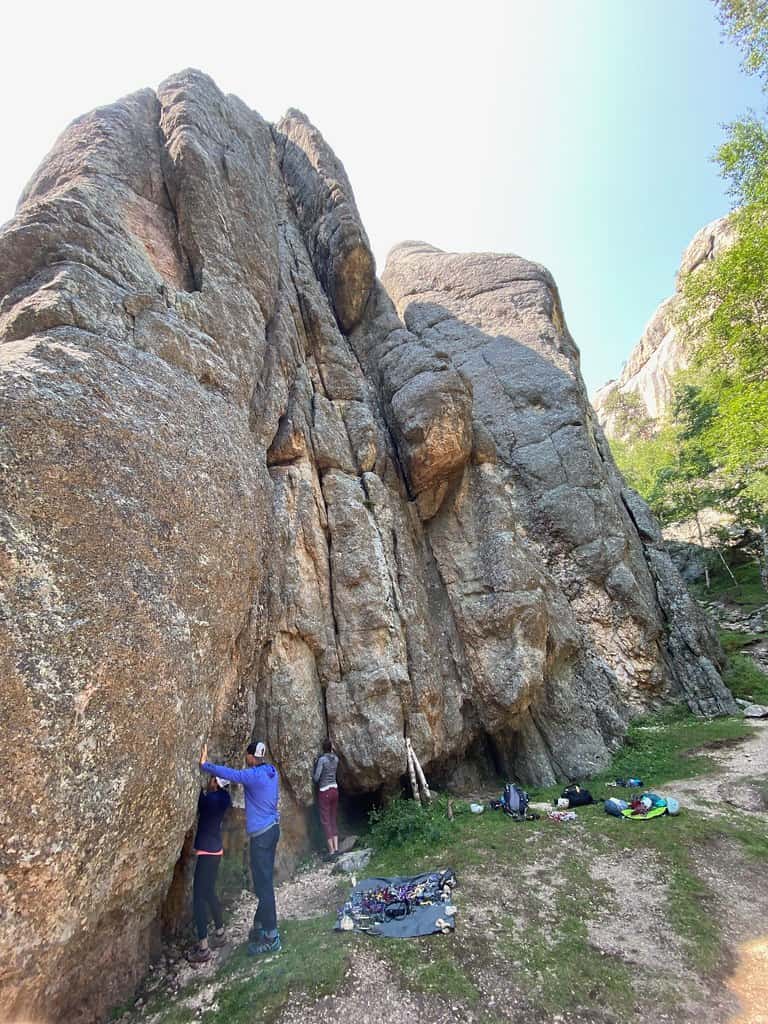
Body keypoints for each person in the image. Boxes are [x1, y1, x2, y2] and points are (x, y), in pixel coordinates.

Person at [200, 740, 281, 955]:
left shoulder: (253, 776)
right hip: (272, 830)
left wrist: (205, 765)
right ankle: (260, 925)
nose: (246, 758)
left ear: (252, 757)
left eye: (247, 755)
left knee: (263, 886)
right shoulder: (272, 772)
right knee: (265, 882)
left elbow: (233, 774)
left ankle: (272, 937)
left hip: (262, 837)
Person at [186, 775, 231, 964]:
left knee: (198, 898)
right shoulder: (224, 799)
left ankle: (203, 948)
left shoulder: (210, 800)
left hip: (206, 851)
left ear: (215, 783)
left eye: (212, 779)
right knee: (210, 891)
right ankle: (220, 932)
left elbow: (199, 800)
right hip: (216, 851)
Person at [313, 738, 339, 858]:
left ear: (323, 748)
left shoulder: (322, 760)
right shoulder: (336, 759)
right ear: (331, 747)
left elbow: (317, 777)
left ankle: (332, 850)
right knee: (333, 818)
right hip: (335, 789)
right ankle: (337, 848)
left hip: (325, 791)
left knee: (326, 820)